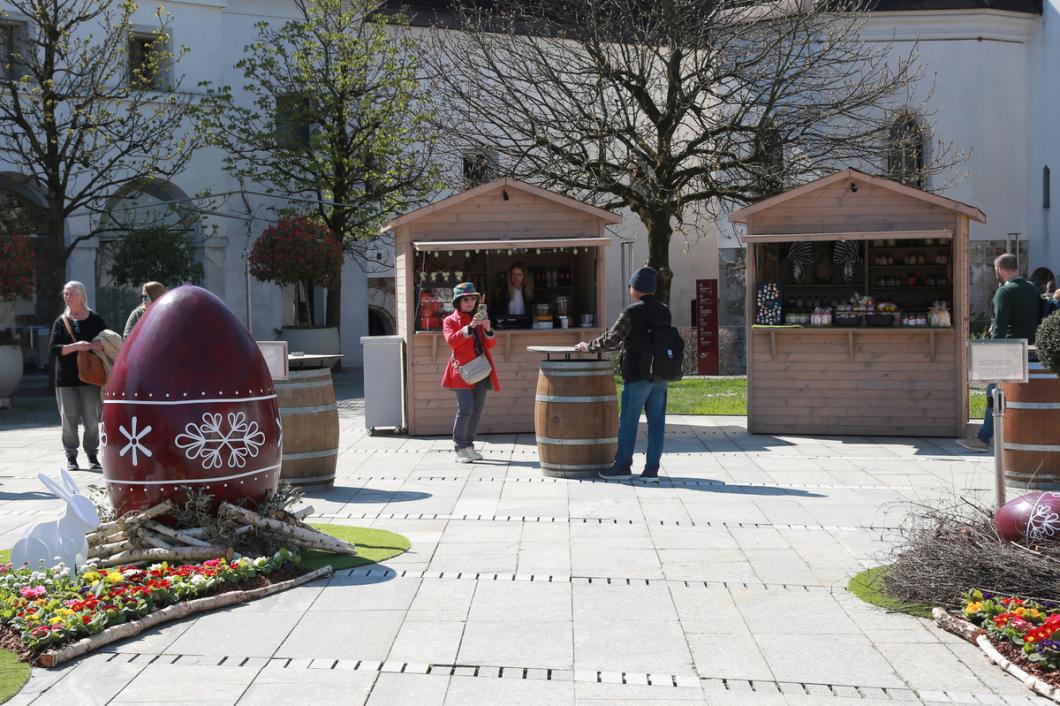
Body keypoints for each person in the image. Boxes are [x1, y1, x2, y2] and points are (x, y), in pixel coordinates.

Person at [574, 266, 670, 481]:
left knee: (628, 422)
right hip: (660, 374)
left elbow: (611, 339)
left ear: (635, 288)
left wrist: (588, 346)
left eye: (631, 286)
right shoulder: (664, 310)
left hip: (637, 374)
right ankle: (652, 470)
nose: (630, 290)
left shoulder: (631, 311)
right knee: (657, 424)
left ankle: (623, 466)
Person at [957, 254, 1041, 452]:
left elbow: (1000, 327)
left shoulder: (1004, 292)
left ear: (1000, 270)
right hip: (1031, 350)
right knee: (1022, 397)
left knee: (993, 393)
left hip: (1009, 351)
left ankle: (984, 439)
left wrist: (990, 353)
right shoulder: (1032, 289)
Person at [49, 281, 108, 471]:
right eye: (65, 294)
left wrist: (97, 346)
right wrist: (77, 347)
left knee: (91, 419)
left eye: (72, 293)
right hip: (65, 379)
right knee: (69, 419)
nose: (68, 297)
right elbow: (53, 349)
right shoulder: (61, 321)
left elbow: (107, 340)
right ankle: (71, 456)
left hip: (91, 378)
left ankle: (92, 455)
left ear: (82, 296)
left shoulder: (95, 319)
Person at [442, 282, 499, 463]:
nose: (470, 302)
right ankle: (459, 448)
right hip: (462, 371)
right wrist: (469, 328)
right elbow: (451, 341)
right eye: (466, 299)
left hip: (480, 369)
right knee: (465, 409)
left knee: (477, 410)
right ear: (458, 301)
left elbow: (489, 344)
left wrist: (488, 328)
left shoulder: (479, 318)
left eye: (473, 299)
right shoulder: (450, 320)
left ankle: (469, 445)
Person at [489, 262, 539, 328]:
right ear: (510, 276)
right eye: (514, 274)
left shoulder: (533, 292)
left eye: (519, 274)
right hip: (506, 327)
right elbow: (494, 313)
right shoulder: (502, 292)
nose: (516, 277)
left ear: (524, 276)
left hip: (527, 327)